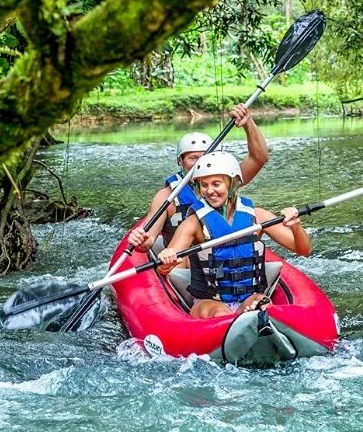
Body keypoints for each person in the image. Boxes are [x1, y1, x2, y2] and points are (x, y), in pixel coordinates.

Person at [156, 151, 311, 319]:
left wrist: (296, 227)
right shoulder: (193, 223)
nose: (210, 191)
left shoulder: (257, 217)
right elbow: (164, 267)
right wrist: (167, 258)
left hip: (248, 297)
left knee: (262, 303)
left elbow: (303, 250)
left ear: (232, 184)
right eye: (204, 185)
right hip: (209, 302)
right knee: (221, 313)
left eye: (216, 184)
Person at [128, 104, 269, 252]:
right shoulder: (166, 197)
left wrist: (248, 123)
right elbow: (148, 240)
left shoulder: (226, 182)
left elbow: (259, 158)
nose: (200, 163)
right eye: (193, 158)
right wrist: (142, 240)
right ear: (180, 161)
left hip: (225, 257)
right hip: (183, 266)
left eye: (204, 157)